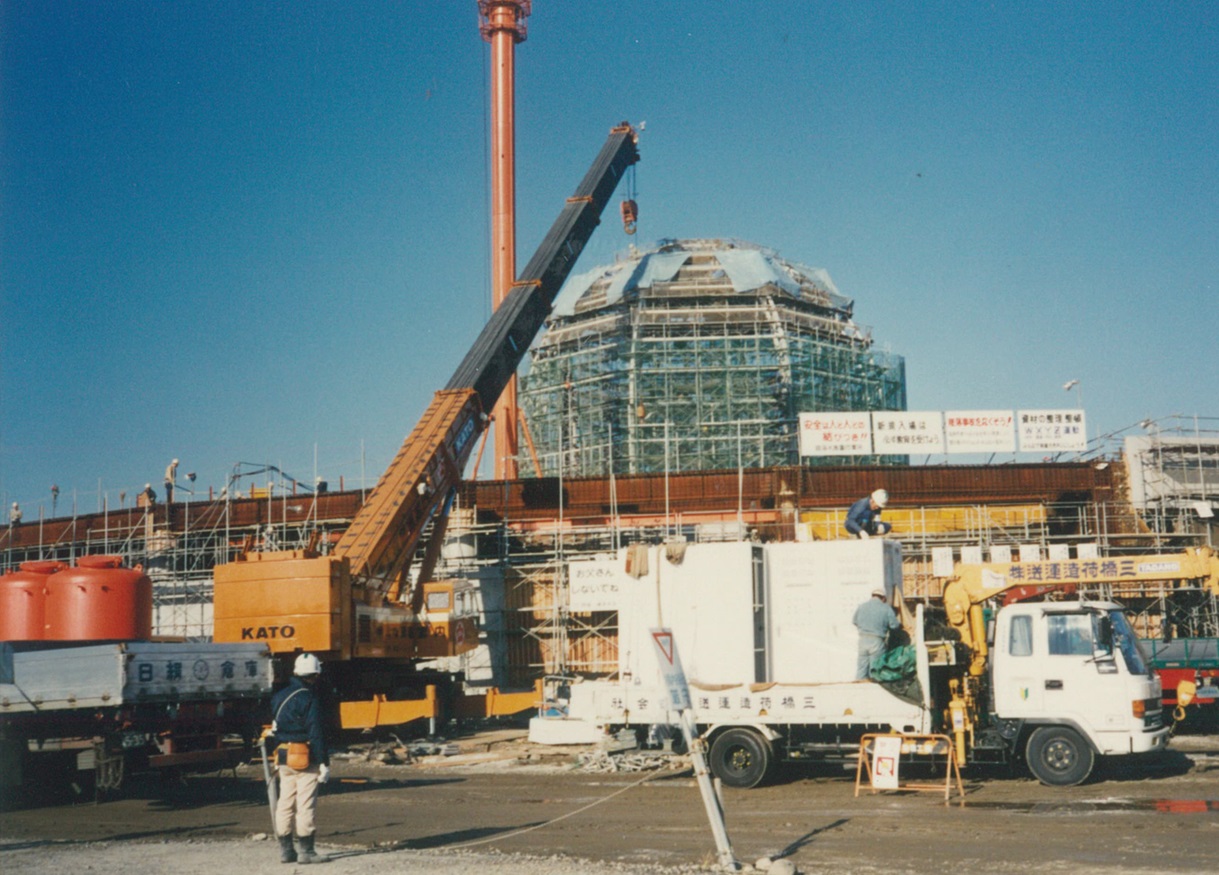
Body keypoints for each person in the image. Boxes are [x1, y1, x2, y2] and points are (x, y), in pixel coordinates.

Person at [270, 653, 331, 864]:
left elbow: (275, 727)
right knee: (305, 804)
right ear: (315, 674)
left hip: (284, 756)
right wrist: (324, 762)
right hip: (305, 756)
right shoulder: (310, 698)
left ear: (296, 672)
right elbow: (316, 732)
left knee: (285, 802)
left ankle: (286, 851)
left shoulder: (279, 696)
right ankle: (307, 852)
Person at [853, 588, 899, 680]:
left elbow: (854, 621)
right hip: (877, 640)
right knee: (875, 670)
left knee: (861, 668)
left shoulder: (861, 606)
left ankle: (859, 689)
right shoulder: (886, 608)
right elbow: (894, 626)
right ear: (883, 598)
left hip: (863, 640)